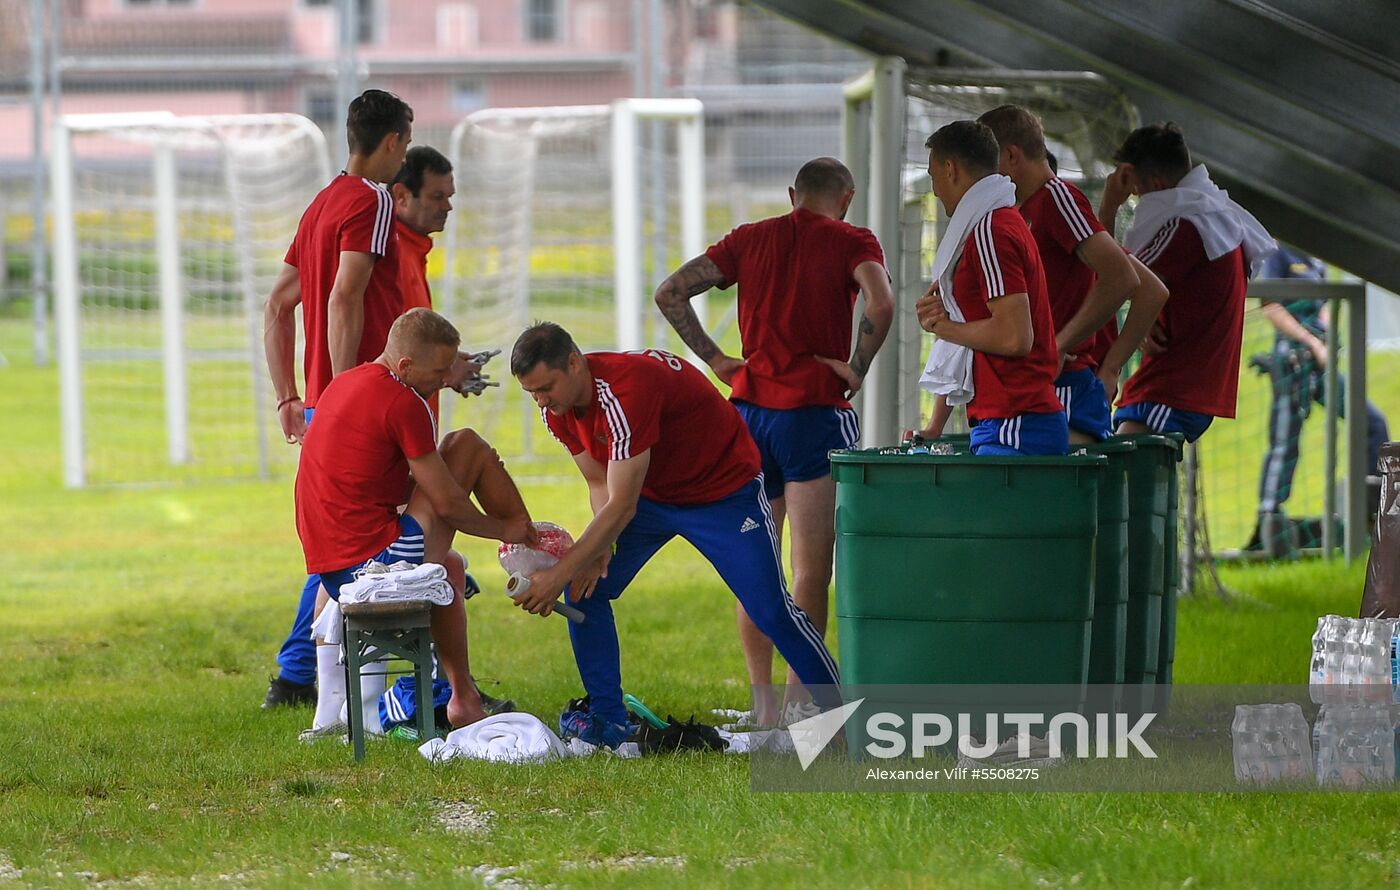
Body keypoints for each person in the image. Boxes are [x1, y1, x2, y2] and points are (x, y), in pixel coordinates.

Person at [509, 323, 841, 748]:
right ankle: (610, 722)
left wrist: (558, 573)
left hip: (724, 492)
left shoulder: (623, 393)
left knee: (770, 610)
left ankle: (839, 720)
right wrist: (595, 553)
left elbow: (621, 505)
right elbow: (598, 484)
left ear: (575, 363)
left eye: (546, 388)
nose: (541, 401)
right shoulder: (556, 408)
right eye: (532, 393)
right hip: (651, 495)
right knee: (585, 588)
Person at [653, 156, 893, 721]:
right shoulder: (853, 239)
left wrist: (718, 361)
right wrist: (856, 367)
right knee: (811, 570)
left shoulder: (749, 239)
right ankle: (797, 703)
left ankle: (761, 703)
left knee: (758, 567)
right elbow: (880, 302)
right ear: (848, 198)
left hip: (748, 418)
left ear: (792, 194)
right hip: (812, 414)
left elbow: (670, 291)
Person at [296, 308, 537, 732]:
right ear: (405, 366)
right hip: (372, 567)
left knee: (452, 568)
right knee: (466, 446)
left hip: (332, 572)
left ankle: (461, 695)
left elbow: (388, 484)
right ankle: (531, 543)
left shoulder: (345, 383)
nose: (446, 379)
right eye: (440, 370)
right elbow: (447, 506)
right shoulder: (403, 401)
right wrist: (505, 530)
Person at [389, 144, 514, 714]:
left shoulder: (411, 251)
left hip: (397, 429)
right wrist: (513, 534)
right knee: (425, 562)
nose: (447, 207)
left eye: (450, 197)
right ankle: (393, 691)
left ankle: (450, 690)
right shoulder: (381, 249)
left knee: (447, 565)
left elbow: (284, 298)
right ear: (401, 194)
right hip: (388, 455)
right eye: (437, 196)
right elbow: (344, 307)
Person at [976, 105, 1169, 442]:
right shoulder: (1019, 213)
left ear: (1010, 156)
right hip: (1028, 388)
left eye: (986, 165)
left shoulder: (1057, 198)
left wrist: (1095, 360)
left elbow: (1126, 279)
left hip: (1064, 389)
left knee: (1052, 489)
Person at [1101, 122, 1275, 442]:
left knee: (1123, 476)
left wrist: (1110, 204)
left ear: (1156, 183)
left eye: (1136, 194)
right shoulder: (1216, 216)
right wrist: (1147, 312)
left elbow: (1108, 272)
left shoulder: (1186, 224)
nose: (1136, 203)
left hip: (1169, 390)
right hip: (1185, 392)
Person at [914, 120, 1067, 455]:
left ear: (950, 169)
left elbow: (1015, 337)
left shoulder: (990, 230)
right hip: (1005, 421)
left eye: (933, 174)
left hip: (1017, 422)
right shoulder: (992, 223)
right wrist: (935, 426)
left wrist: (946, 327)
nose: (935, 189)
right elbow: (979, 330)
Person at [1248, 246, 1390, 555]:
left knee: (1372, 422)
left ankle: (1374, 509)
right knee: (1285, 441)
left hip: (1321, 362)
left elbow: (1325, 304)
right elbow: (1271, 306)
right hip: (1293, 361)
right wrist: (1310, 341)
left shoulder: (1317, 256)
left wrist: (1326, 336)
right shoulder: (1278, 254)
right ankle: (1269, 515)